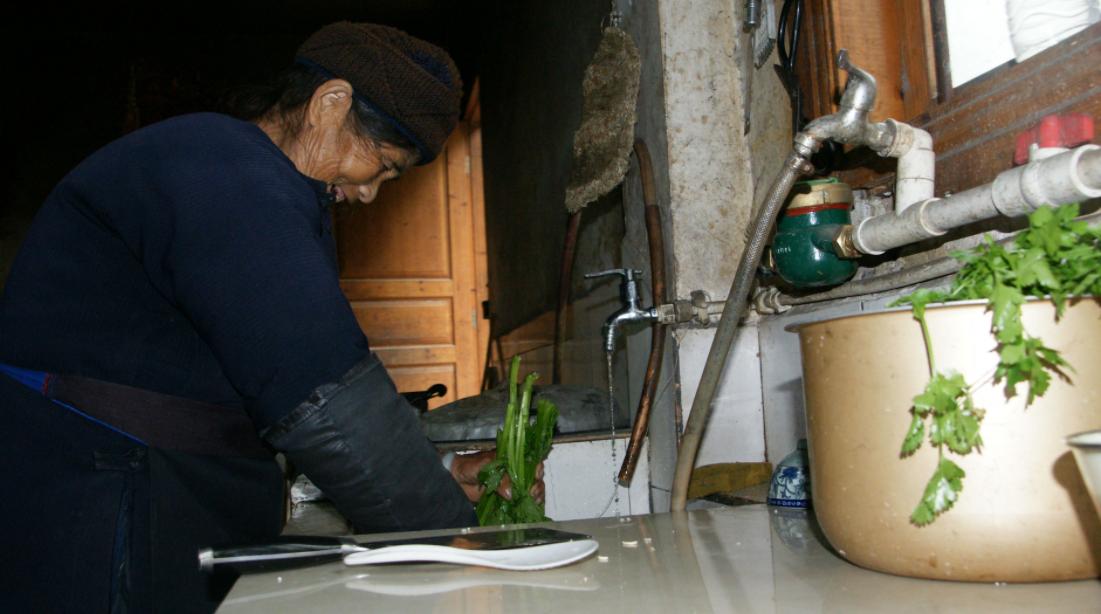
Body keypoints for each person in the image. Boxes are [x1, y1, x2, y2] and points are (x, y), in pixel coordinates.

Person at [0, 21, 539, 613]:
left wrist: (436, 474)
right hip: (104, 502)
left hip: (152, 492)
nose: (370, 194)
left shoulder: (255, 183)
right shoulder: (223, 169)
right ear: (331, 105)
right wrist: (461, 540)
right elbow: (321, 394)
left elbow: (278, 388)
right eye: (382, 164)